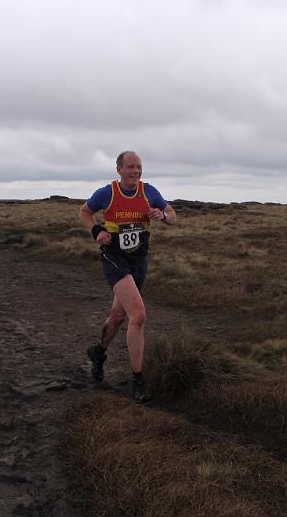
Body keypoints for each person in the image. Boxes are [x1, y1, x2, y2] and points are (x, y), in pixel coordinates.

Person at [80, 150, 176, 401]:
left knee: (118, 316)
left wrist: (162, 215)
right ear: (119, 169)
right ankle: (138, 380)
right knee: (139, 315)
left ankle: (98, 352)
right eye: (130, 167)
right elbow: (85, 212)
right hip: (114, 257)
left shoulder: (149, 192)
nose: (136, 171)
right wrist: (96, 231)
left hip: (138, 259)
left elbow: (173, 216)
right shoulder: (107, 193)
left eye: (139, 167)